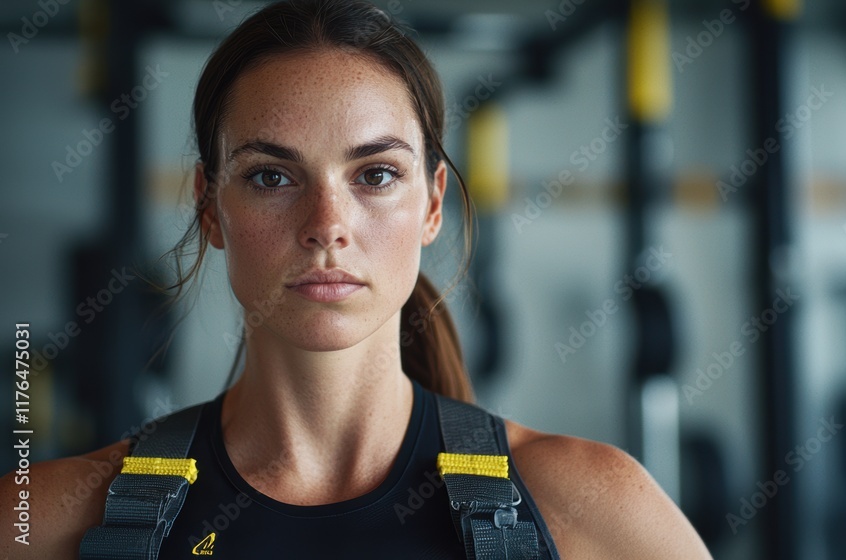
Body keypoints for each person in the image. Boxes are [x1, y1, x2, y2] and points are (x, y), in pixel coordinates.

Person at [0, 0, 713, 558]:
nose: (326, 224)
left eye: (375, 175)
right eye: (271, 176)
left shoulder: (590, 506)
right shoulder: (46, 519)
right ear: (211, 208)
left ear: (433, 204)